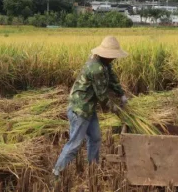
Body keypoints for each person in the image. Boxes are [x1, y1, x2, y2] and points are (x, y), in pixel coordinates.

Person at [53, 36, 129, 178]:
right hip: (80, 110)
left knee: (95, 138)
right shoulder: (96, 68)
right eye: (112, 56)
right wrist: (117, 110)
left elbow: (112, 78)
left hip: (89, 108)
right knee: (75, 144)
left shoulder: (105, 63)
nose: (113, 59)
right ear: (106, 54)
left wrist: (121, 94)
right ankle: (57, 172)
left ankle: (93, 169)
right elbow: (102, 96)